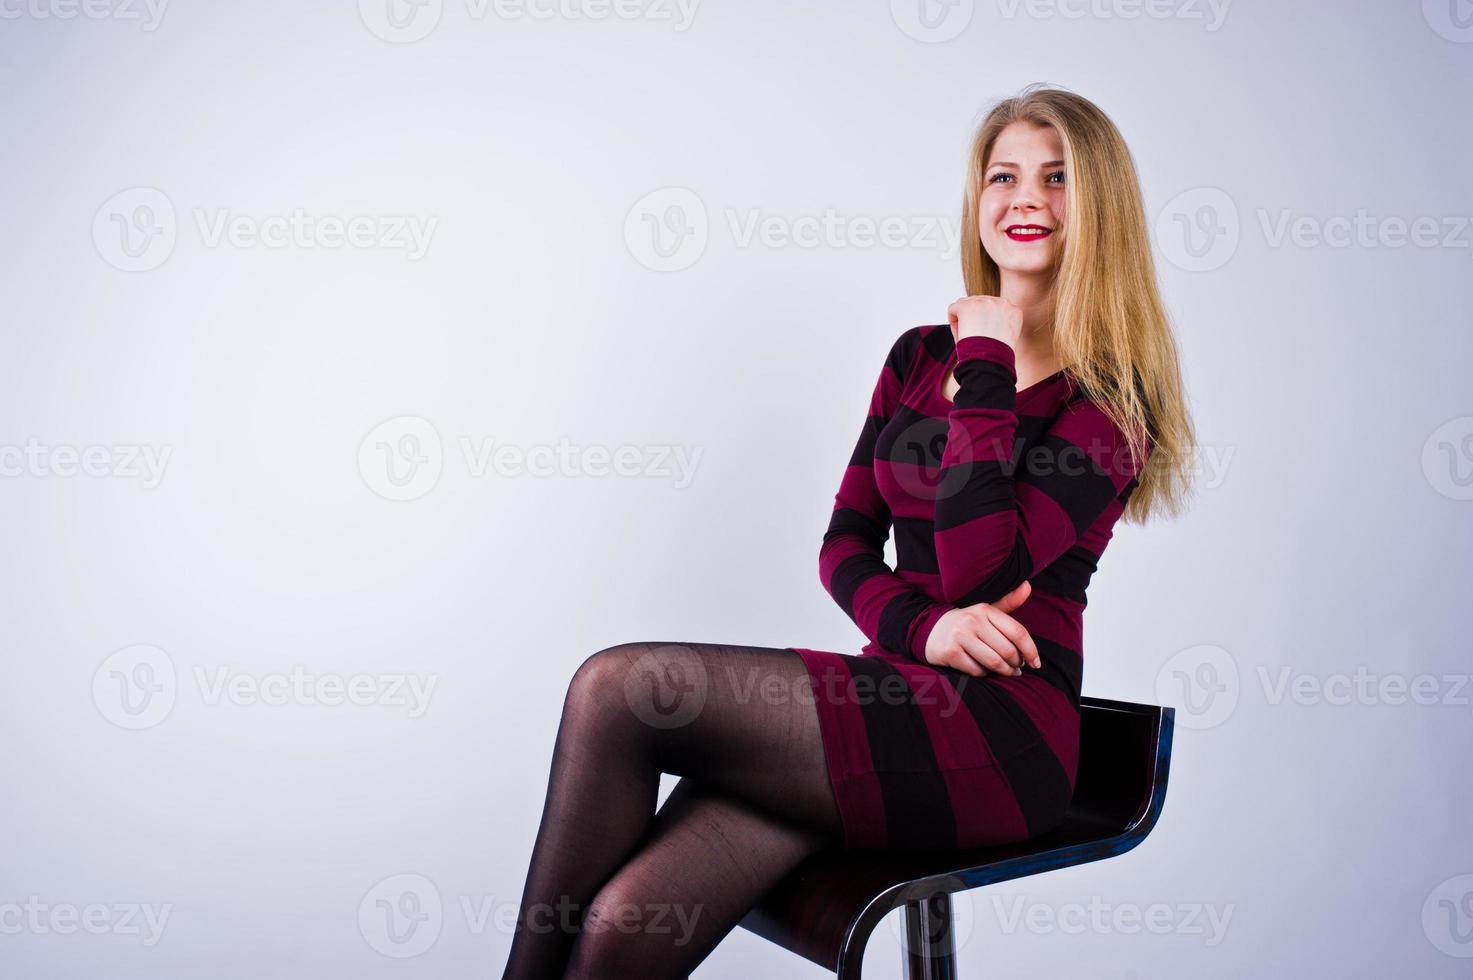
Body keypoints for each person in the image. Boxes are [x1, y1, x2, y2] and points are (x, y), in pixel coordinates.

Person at [500, 82, 1196, 978]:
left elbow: (981, 566)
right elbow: (843, 545)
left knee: (618, 689)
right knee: (629, 921)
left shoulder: (1110, 406)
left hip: (999, 736)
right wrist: (925, 627)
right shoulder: (915, 358)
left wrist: (986, 358)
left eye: (1057, 178)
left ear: (1098, 206)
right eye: (1003, 176)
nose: (1025, 198)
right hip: (891, 696)